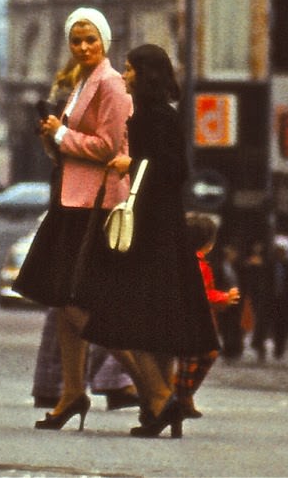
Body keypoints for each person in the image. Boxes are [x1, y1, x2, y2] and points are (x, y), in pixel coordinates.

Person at [12, 7, 133, 432]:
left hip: (94, 205)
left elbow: (109, 145)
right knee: (63, 304)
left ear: (104, 41)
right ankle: (71, 393)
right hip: (71, 199)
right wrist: (53, 135)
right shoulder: (81, 81)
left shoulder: (111, 83)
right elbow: (74, 147)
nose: (83, 47)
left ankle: (149, 385)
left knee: (81, 305)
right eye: (76, 40)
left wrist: (62, 135)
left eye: (91, 40)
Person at [92, 42, 219, 438]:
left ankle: (162, 400)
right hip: (156, 225)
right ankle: (158, 404)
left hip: (151, 229)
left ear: (145, 75)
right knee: (153, 322)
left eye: (130, 70)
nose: (125, 75)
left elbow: (175, 169)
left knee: (131, 320)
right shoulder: (153, 114)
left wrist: (134, 163)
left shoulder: (156, 117)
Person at [174, 214, 238, 419]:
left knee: (199, 356)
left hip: (196, 319)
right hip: (195, 321)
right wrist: (224, 298)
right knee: (194, 357)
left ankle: (183, 396)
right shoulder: (197, 265)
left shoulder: (191, 262)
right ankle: (182, 396)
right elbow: (202, 293)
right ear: (209, 242)